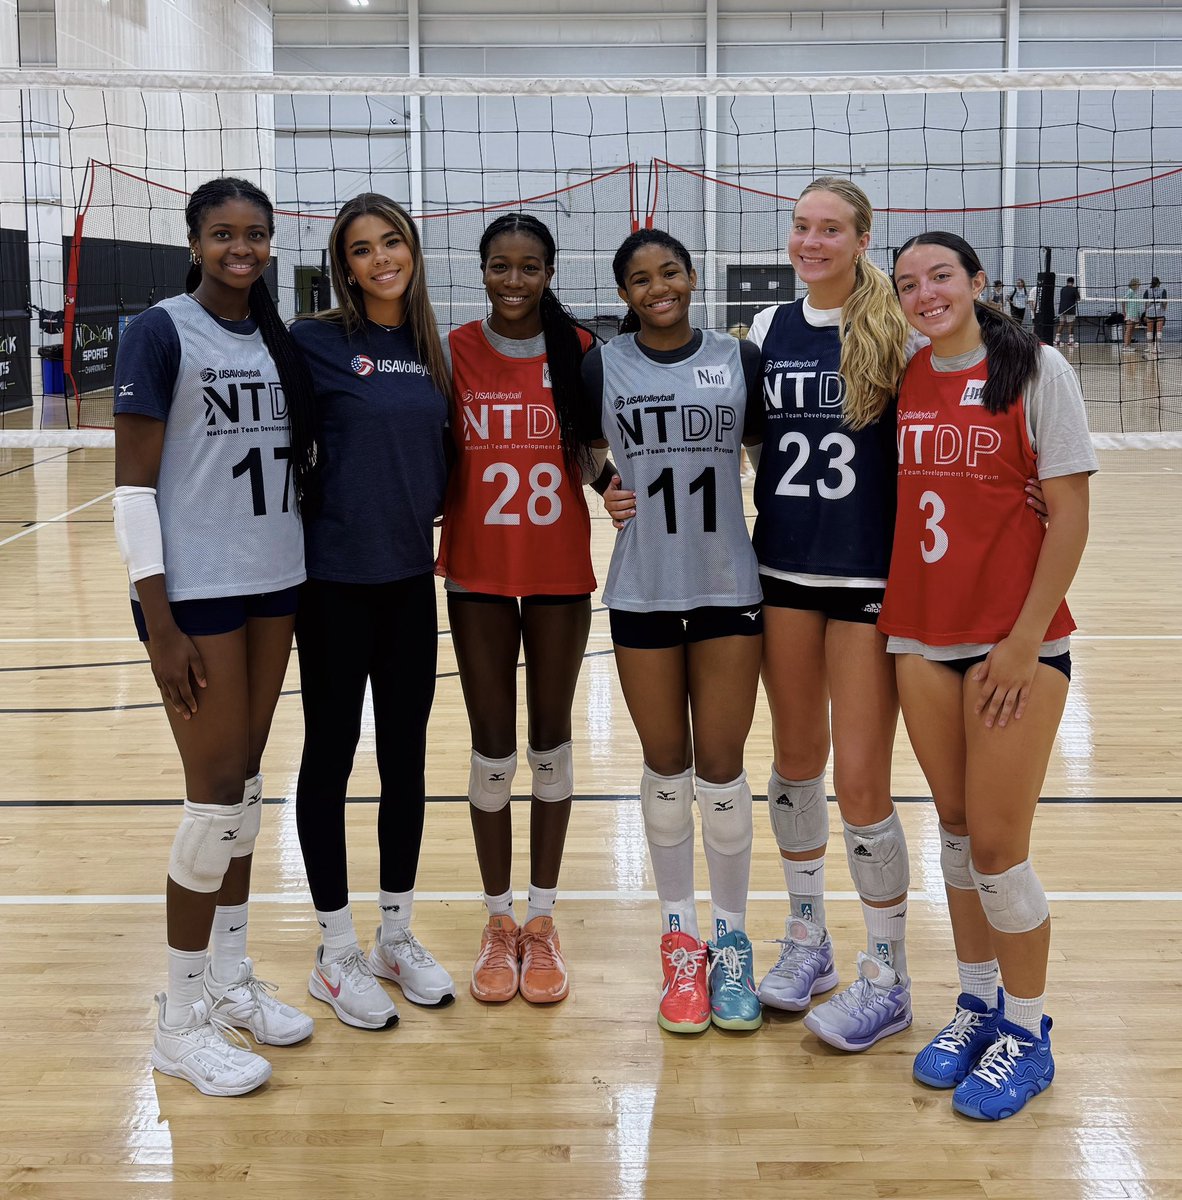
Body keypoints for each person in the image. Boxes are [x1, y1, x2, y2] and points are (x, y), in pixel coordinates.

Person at [113, 176, 319, 1095]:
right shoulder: (159, 330)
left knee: (241, 788)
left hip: (274, 583)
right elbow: (131, 489)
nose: (242, 248)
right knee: (210, 801)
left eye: (257, 235)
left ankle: (230, 982)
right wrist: (157, 620)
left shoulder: (275, 336)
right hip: (193, 596)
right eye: (224, 234)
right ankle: (178, 1015)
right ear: (193, 241)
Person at [886, 231, 1096, 1120]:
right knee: (960, 832)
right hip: (920, 635)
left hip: (1014, 643)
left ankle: (1028, 1028)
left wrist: (1021, 641)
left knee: (1003, 853)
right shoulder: (901, 374)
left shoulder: (1038, 370)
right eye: (908, 284)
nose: (926, 293)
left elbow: (1072, 515)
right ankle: (975, 1005)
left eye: (941, 276)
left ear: (977, 282)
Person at [745, 177, 918, 1052]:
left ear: (861, 239)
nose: (811, 241)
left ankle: (887, 973)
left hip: (864, 581)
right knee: (793, 761)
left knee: (861, 780)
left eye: (830, 229)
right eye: (802, 226)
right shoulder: (768, 331)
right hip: (781, 570)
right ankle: (808, 937)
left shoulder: (898, 331)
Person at [585, 228, 765, 1034]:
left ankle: (730, 943)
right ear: (623, 293)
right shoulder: (602, 362)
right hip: (644, 588)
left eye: (668, 273)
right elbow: (574, 438)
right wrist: (602, 484)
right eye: (638, 279)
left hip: (728, 583)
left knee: (722, 774)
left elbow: (775, 454)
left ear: (692, 277)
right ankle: (678, 942)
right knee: (666, 769)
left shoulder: (736, 357)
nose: (656, 287)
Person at [291, 193, 454, 1030]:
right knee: (330, 756)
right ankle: (333, 948)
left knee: (407, 760)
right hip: (330, 584)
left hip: (407, 583)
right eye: (362, 249)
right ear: (343, 265)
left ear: (413, 249)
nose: (382, 258)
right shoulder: (314, 343)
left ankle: (394, 932)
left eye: (392, 242)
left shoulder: (433, 349)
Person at [437, 212, 607, 1006]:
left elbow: (597, 451)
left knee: (552, 747)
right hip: (475, 571)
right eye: (500, 266)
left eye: (529, 267)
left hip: (557, 572)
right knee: (491, 751)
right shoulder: (454, 352)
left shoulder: (577, 352)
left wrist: (620, 491)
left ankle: (542, 922)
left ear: (549, 271)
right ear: (481, 270)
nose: (514, 280)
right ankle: (497, 920)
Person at [1143, 275, 1168, 357]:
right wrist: (1164, 309)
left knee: (1149, 330)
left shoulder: (1147, 290)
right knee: (1159, 331)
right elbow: (1164, 302)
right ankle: (1157, 348)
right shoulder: (1163, 290)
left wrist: (1146, 313)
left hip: (1150, 313)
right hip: (1159, 313)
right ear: (1158, 283)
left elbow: (1145, 303)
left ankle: (1149, 347)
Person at [1054, 276, 1080, 347]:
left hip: (1062, 309)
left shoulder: (1062, 289)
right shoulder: (1074, 289)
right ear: (1073, 282)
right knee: (1070, 324)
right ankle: (1071, 341)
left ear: (1067, 282)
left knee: (1061, 324)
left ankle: (1057, 340)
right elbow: (1078, 299)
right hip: (1070, 310)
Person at [1121, 278, 1143, 353]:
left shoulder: (1135, 292)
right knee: (1128, 330)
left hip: (1135, 314)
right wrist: (1124, 312)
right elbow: (1123, 301)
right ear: (1134, 284)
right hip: (1130, 314)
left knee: (1131, 330)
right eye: (1138, 284)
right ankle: (1126, 346)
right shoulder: (1130, 291)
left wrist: (1139, 315)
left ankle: (1128, 345)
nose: (1139, 285)